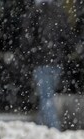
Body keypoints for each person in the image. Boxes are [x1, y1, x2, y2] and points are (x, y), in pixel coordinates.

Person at [21, 0, 73, 130]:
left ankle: (55, 129)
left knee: (46, 97)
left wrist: (28, 57)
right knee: (47, 96)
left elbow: (27, 39)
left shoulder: (34, 12)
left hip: (41, 62)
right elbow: (67, 36)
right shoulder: (59, 11)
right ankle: (39, 128)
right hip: (56, 62)